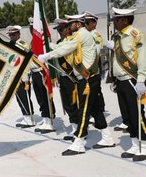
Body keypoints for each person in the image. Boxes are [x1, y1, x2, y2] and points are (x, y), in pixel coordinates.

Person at [38, 14, 115, 156]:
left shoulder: (81, 35)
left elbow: (65, 49)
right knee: (96, 109)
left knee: (83, 111)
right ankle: (107, 137)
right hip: (88, 78)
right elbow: (64, 46)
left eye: (71, 23)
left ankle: (79, 143)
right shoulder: (80, 35)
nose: (69, 26)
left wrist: (47, 56)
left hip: (87, 80)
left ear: (78, 24)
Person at [105, 7, 146, 161]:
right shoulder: (118, 37)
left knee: (137, 114)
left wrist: (141, 80)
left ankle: (144, 145)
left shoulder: (136, 35)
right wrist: (114, 79)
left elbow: (142, 59)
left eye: (116, 20)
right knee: (127, 115)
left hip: (132, 80)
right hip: (121, 81)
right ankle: (135, 144)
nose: (114, 23)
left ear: (125, 20)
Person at [51, 19, 78, 141]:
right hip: (62, 78)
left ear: (68, 29)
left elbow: (60, 51)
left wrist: (52, 46)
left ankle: (79, 128)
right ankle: (74, 127)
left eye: (61, 30)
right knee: (67, 104)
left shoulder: (72, 40)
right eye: (58, 30)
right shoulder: (58, 42)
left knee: (74, 104)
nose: (60, 32)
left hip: (71, 77)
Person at [28, 17, 56, 134]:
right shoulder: (32, 41)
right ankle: (45, 118)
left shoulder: (42, 40)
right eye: (30, 28)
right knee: (40, 98)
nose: (31, 29)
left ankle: (49, 120)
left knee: (45, 97)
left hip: (41, 71)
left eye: (33, 27)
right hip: (34, 73)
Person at [6, 25, 35, 128]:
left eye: (14, 34)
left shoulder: (22, 44)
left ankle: (29, 118)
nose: (12, 37)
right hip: (16, 75)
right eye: (10, 35)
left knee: (24, 96)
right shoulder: (13, 44)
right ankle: (26, 116)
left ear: (19, 34)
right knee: (20, 97)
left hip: (23, 75)